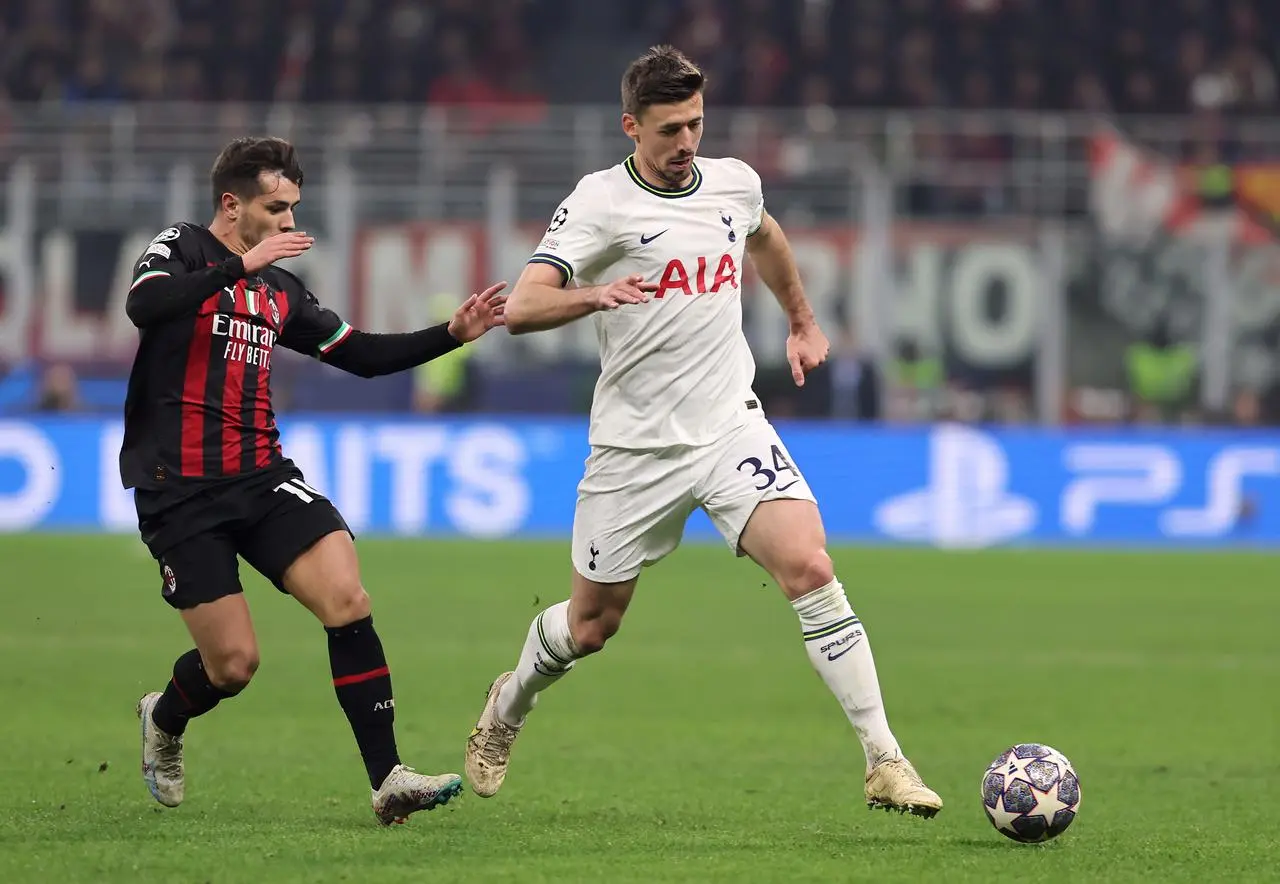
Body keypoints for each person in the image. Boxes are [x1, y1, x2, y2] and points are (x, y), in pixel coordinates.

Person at [464, 47, 943, 819]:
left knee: (811, 568)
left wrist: (802, 320)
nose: (686, 141)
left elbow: (766, 238)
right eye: (668, 130)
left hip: (728, 427)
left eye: (694, 123)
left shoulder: (732, 182)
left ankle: (884, 758)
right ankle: (509, 703)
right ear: (631, 127)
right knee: (590, 627)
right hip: (634, 449)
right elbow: (520, 307)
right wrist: (595, 296)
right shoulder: (599, 203)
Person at [123, 136, 508, 825]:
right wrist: (239, 265)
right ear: (232, 204)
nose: (289, 222)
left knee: (348, 597)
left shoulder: (279, 290)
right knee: (233, 666)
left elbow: (359, 354)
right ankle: (165, 715)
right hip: (178, 486)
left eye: (295, 207)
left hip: (262, 476)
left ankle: (388, 778)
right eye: (276, 207)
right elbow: (144, 307)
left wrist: (450, 334)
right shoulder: (182, 247)